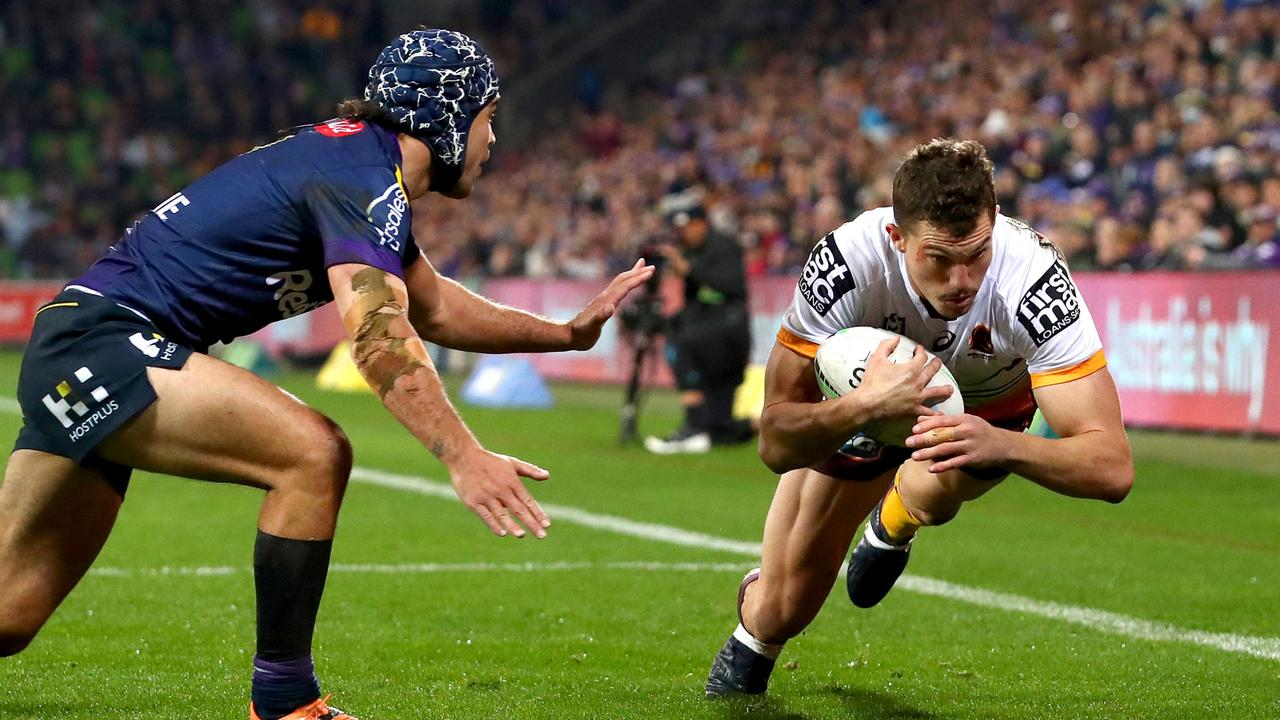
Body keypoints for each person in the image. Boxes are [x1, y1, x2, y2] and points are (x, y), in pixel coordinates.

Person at [0, 29, 653, 720]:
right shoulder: (362, 178)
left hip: (84, 345)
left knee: (9, 614)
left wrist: (565, 334)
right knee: (313, 453)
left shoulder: (357, 166)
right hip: (106, 345)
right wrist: (463, 457)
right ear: (447, 116)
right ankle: (286, 702)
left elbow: (430, 305)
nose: (494, 142)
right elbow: (377, 330)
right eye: (489, 118)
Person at [704, 138, 1133, 696]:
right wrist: (862, 406)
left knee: (938, 489)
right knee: (782, 611)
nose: (962, 281)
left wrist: (1002, 444)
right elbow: (776, 443)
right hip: (862, 399)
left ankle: (894, 522)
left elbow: (1112, 468)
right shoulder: (845, 264)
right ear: (896, 237)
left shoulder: (1034, 283)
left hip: (987, 404)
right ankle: (757, 631)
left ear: (995, 221)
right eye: (939, 258)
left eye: (976, 253)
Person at [643, 205, 753, 454]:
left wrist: (690, 271)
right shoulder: (689, 252)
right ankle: (740, 428)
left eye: (689, 226)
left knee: (679, 344)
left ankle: (693, 427)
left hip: (728, 332)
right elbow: (693, 303)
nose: (686, 233)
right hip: (713, 331)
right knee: (719, 426)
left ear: (702, 223)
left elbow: (733, 287)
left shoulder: (724, 247)